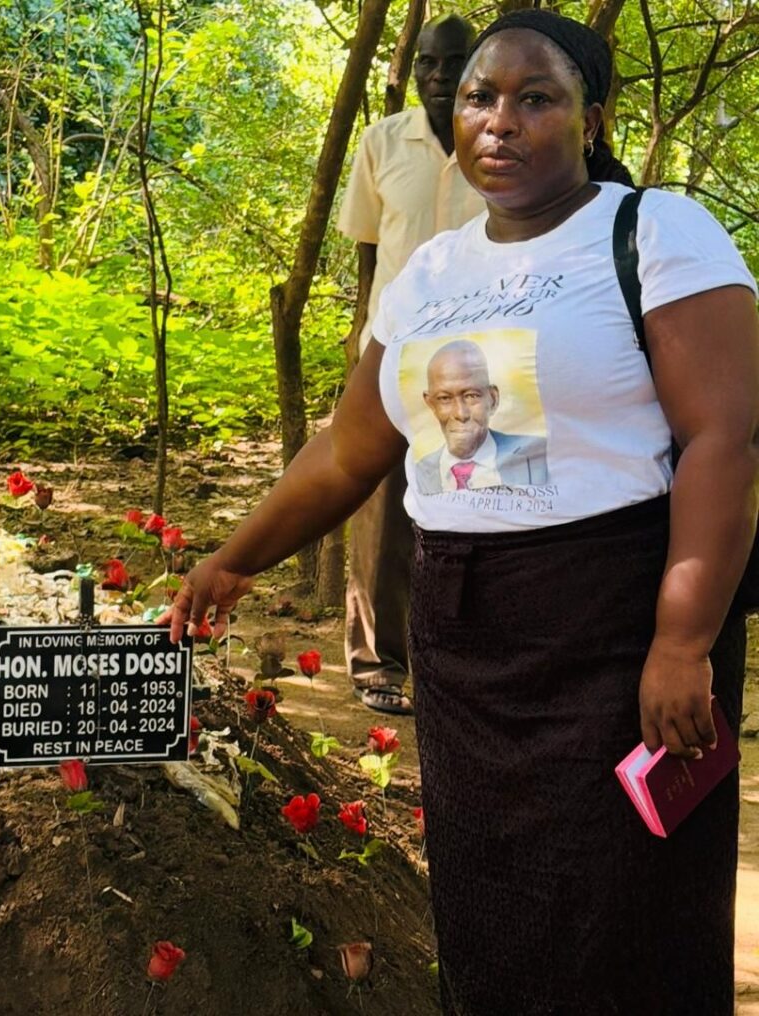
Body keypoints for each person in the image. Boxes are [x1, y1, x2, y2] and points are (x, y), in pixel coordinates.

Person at [163, 9, 759, 1014]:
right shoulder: (432, 273)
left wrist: (681, 639)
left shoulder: (655, 232)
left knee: (624, 916)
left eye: (537, 98)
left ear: (593, 117)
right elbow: (352, 449)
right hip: (466, 636)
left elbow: (724, 440)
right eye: (481, 96)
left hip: (612, 627)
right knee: (492, 912)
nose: (499, 119)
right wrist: (235, 557)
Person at [337, 13, 484, 714]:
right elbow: (368, 247)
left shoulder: (495, 141)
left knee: (470, 501)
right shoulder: (381, 142)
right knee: (380, 506)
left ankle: (456, 663)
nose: (436, 76)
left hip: (478, 357)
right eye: (426, 63)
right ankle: (375, 662)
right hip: (391, 352)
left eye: (451, 63)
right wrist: (364, 340)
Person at [416, 338, 547, 493]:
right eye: (445, 398)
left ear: (492, 399)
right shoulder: (422, 470)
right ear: (431, 404)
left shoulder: (537, 455)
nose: (460, 414)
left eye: (471, 396)